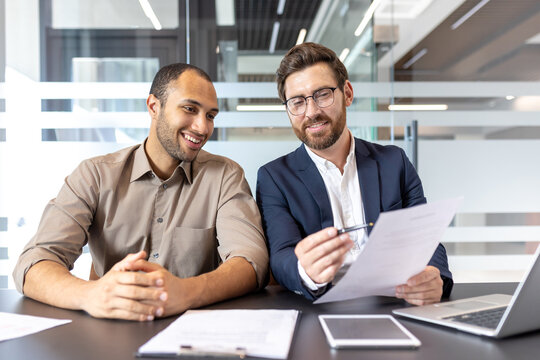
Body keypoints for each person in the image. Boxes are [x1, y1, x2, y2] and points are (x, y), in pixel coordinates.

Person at [13, 63, 268, 321]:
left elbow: (251, 260)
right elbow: (34, 263)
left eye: (210, 115)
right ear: (154, 106)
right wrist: (91, 295)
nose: (202, 128)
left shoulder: (225, 176)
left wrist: (185, 292)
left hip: (194, 330)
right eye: (190, 109)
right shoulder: (95, 175)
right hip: (111, 332)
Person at [256, 43, 452, 304]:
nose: (311, 112)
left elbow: (426, 239)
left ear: (347, 93)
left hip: (396, 302)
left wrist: (434, 276)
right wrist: (306, 270)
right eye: (297, 102)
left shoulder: (394, 162)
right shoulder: (274, 177)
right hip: (321, 310)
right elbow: (281, 256)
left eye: (322, 94)